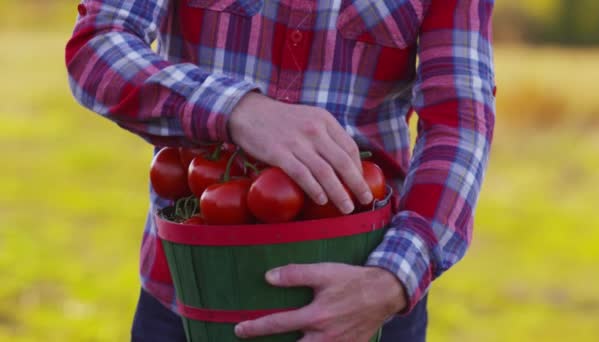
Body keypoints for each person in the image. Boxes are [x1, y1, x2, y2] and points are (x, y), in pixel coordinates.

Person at [65, 0, 496, 341]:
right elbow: (99, 45)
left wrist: (394, 276)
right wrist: (236, 108)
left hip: (364, 292)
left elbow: (459, 121)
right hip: (192, 285)